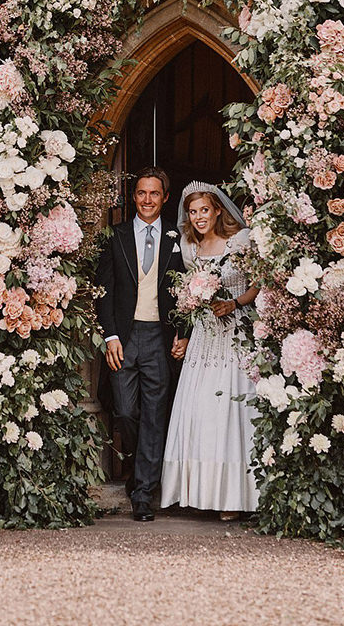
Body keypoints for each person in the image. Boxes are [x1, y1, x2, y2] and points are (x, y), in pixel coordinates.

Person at [160, 181, 260, 519]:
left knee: (232, 412)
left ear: (218, 210)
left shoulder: (240, 241)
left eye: (205, 210)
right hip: (204, 338)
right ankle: (201, 491)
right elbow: (190, 301)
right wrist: (184, 334)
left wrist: (234, 302)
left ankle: (233, 497)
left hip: (236, 333)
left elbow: (258, 282)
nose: (199, 217)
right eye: (193, 212)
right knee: (201, 410)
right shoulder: (190, 248)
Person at [95, 166, 188, 522]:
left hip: (159, 339)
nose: (147, 200)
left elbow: (186, 292)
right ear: (133, 197)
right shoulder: (114, 236)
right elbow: (103, 292)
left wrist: (181, 332)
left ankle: (144, 494)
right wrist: (111, 335)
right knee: (125, 412)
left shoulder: (176, 238)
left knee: (154, 416)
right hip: (124, 336)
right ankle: (137, 470)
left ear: (165, 198)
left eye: (154, 194)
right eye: (141, 193)